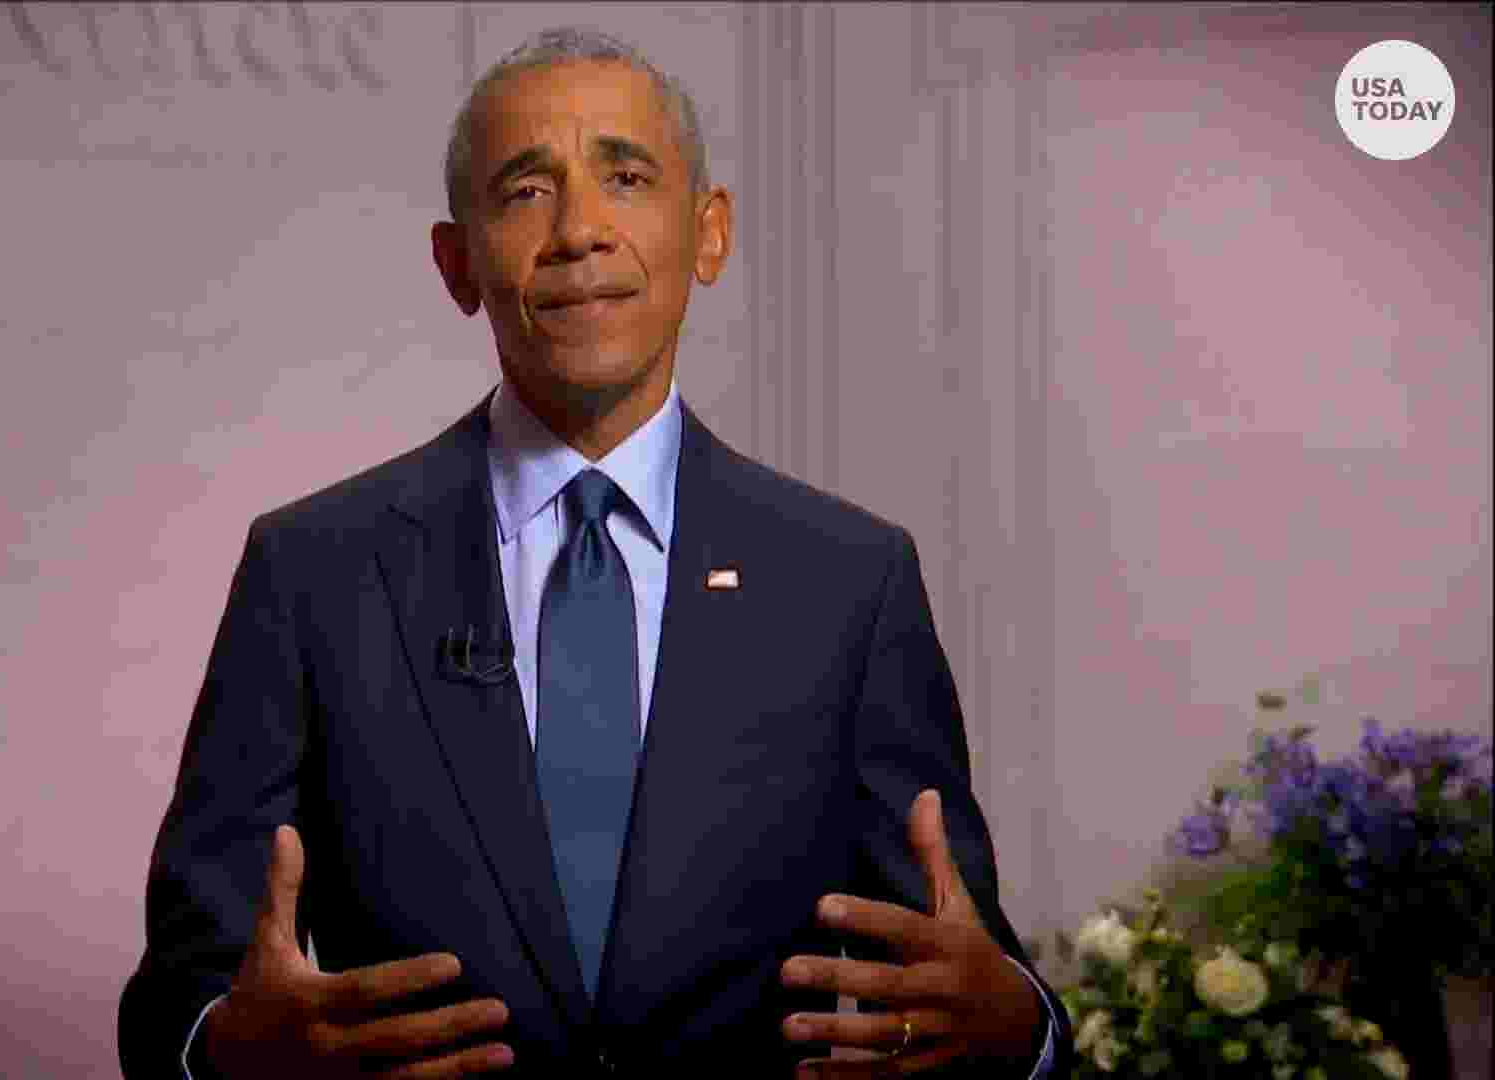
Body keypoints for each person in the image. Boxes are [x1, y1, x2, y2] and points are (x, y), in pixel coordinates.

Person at [119, 26, 1072, 1079]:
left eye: (625, 176)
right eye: (525, 191)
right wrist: (222, 1053)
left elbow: (970, 979)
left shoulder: (851, 581)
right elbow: (176, 1001)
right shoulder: (312, 571)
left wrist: (1021, 1036)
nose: (579, 230)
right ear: (457, 262)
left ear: (709, 233)